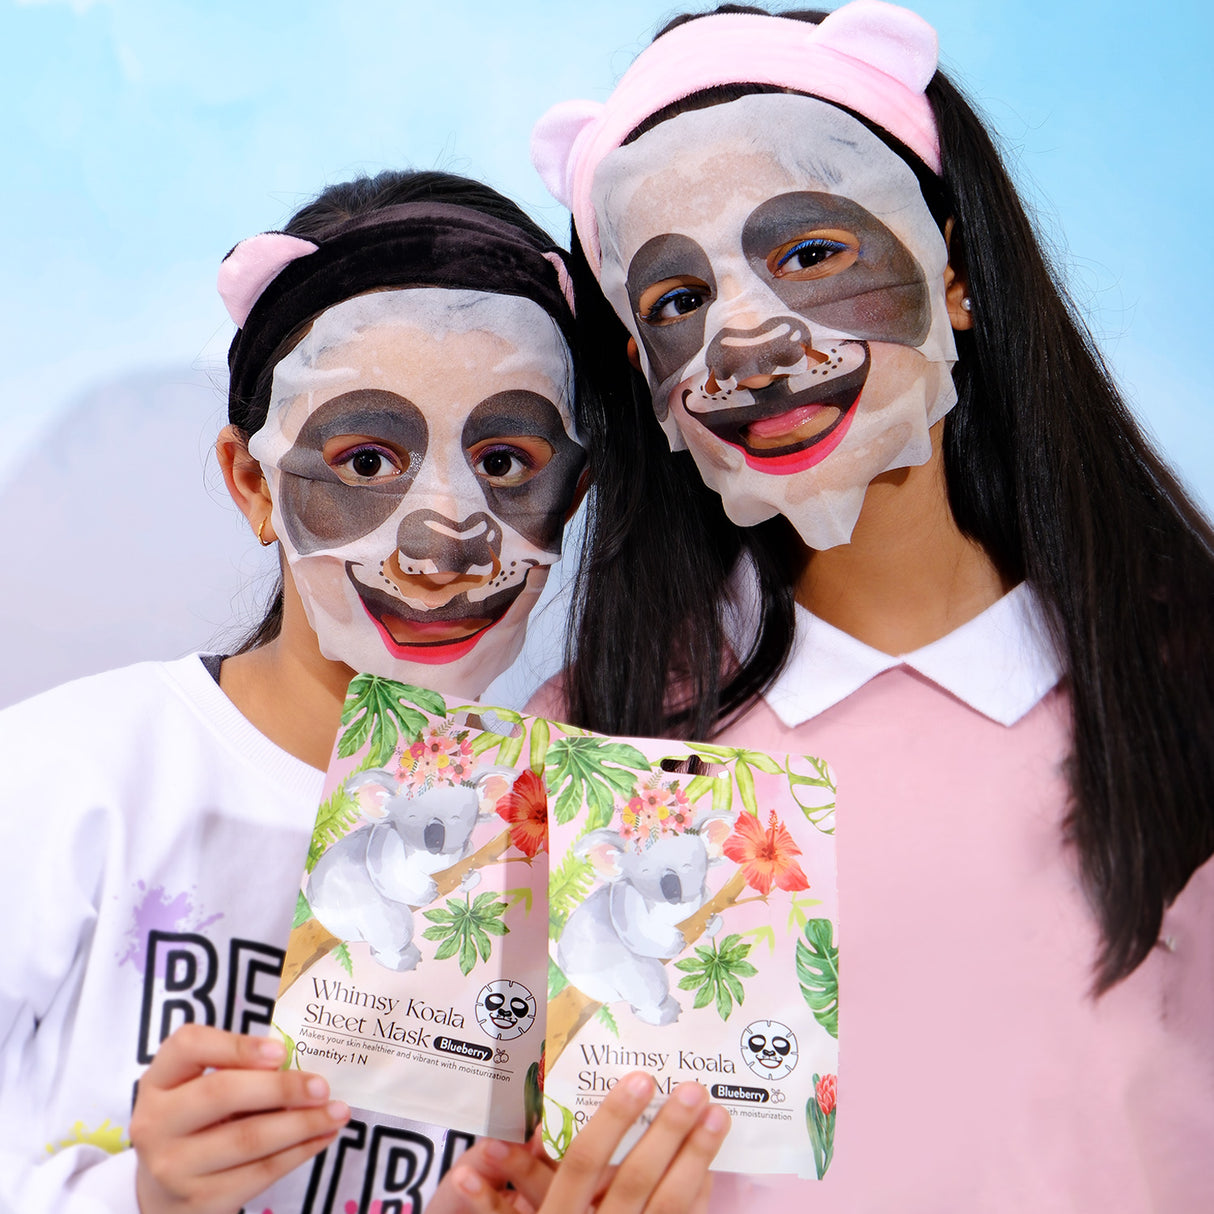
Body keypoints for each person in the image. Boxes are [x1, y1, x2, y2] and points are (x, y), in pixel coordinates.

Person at [519, 1, 1214, 1208]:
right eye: (677, 299)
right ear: (645, 371)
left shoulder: (1183, 667)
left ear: (953, 273)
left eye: (808, 253)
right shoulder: (588, 743)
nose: (745, 337)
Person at [0, 168, 729, 1214]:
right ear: (253, 481)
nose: (446, 541)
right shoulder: (67, 779)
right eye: (367, 459)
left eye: (505, 459)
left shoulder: (574, 859)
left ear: (570, 495)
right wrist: (142, 1195)